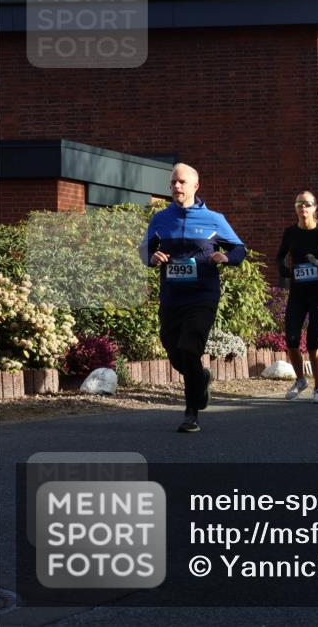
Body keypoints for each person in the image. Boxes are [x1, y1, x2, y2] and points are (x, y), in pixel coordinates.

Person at [140, 163, 246, 433]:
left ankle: (191, 413)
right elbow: (145, 251)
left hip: (202, 296)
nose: (176, 186)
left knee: (189, 348)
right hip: (172, 297)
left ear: (195, 186)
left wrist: (226, 257)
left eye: (182, 182)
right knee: (173, 350)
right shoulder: (160, 219)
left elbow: (239, 249)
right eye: (173, 182)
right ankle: (201, 377)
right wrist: (152, 257)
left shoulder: (214, 219)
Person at [276, 191, 318, 404]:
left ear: (315, 208)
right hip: (298, 293)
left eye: (307, 204)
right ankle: (301, 380)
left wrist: (317, 263)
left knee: (312, 341)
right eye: (299, 204)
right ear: (295, 208)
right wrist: (286, 271)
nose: (303, 207)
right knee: (292, 339)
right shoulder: (290, 232)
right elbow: (280, 256)